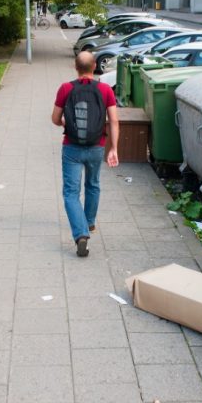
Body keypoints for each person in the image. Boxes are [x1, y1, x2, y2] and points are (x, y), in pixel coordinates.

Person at [52, 51, 119, 257]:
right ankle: (89, 222)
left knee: (71, 193)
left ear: (76, 67)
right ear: (93, 68)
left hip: (71, 147)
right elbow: (114, 121)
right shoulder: (105, 89)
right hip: (96, 147)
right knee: (93, 184)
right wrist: (113, 148)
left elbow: (55, 118)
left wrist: (66, 123)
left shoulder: (66, 88)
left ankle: (81, 234)